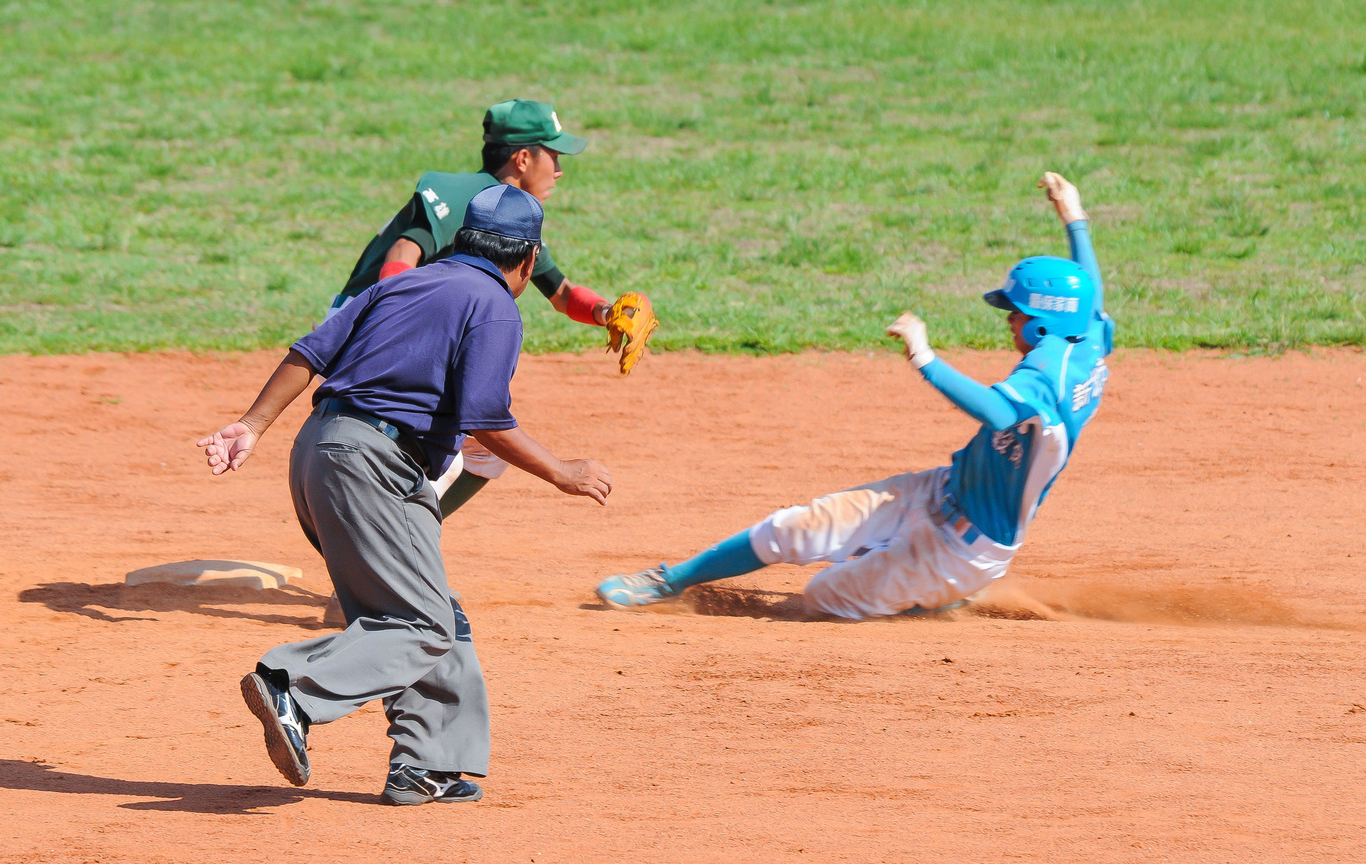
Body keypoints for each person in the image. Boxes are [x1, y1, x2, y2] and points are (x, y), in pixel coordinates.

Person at [198, 185, 612, 804]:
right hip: (375, 467)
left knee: (437, 614)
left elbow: (309, 351)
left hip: (318, 452)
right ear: (528, 258)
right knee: (419, 622)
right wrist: (562, 472)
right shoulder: (494, 303)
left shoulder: (398, 284)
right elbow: (486, 419)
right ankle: (293, 686)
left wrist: (251, 425)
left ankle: (428, 764)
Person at [596, 172, 1113, 618]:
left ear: (1044, 322)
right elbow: (1088, 289)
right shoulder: (1084, 339)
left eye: (1017, 312)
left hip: (963, 551)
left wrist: (924, 357)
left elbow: (998, 412)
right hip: (940, 489)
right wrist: (1074, 216)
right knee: (791, 529)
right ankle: (670, 579)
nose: (1009, 319)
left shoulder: (1046, 375)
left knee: (824, 596)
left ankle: (938, 596)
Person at [334, 98, 657, 516]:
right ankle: (390, 534)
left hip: (405, 333)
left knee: (487, 451)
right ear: (523, 158)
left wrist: (607, 313)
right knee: (455, 430)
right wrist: (393, 322)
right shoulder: (464, 194)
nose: (559, 170)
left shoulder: (504, 216)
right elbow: (402, 250)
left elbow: (561, 294)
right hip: (368, 328)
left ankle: (403, 531)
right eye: (554, 155)